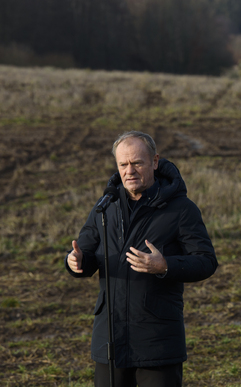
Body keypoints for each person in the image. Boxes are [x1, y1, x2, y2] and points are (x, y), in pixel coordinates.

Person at [65, 131, 217, 387]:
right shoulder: (105, 207)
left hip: (157, 342)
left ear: (155, 162)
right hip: (110, 339)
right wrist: (75, 262)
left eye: (137, 163)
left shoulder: (181, 209)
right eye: (123, 164)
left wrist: (165, 265)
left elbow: (206, 261)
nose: (130, 171)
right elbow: (87, 254)